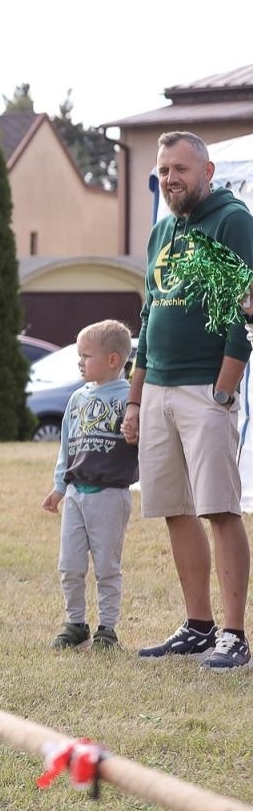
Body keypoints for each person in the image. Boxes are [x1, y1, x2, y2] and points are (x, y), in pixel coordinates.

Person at [121, 131, 253, 670]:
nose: (171, 178)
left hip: (206, 386)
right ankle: (197, 625)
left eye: (181, 168)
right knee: (174, 508)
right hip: (157, 389)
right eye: (164, 169)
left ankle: (234, 634)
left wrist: (226, 384)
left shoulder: (231, 220)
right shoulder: (161, 231)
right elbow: (149, 315)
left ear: (207, 170)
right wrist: (134, 398)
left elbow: (245, 307)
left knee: (219, 508)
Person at [42, 320, 137, 651]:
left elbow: (149, 441)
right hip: (76, 493)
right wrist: (59, 486)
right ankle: (76, 623)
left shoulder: (130, 399)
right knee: (69, 564)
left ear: (113, 360)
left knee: (107, 567)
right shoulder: (77, 398)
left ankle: (107, 629)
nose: (80, 362)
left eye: (86, 356)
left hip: (110, 495)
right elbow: (66, 445)